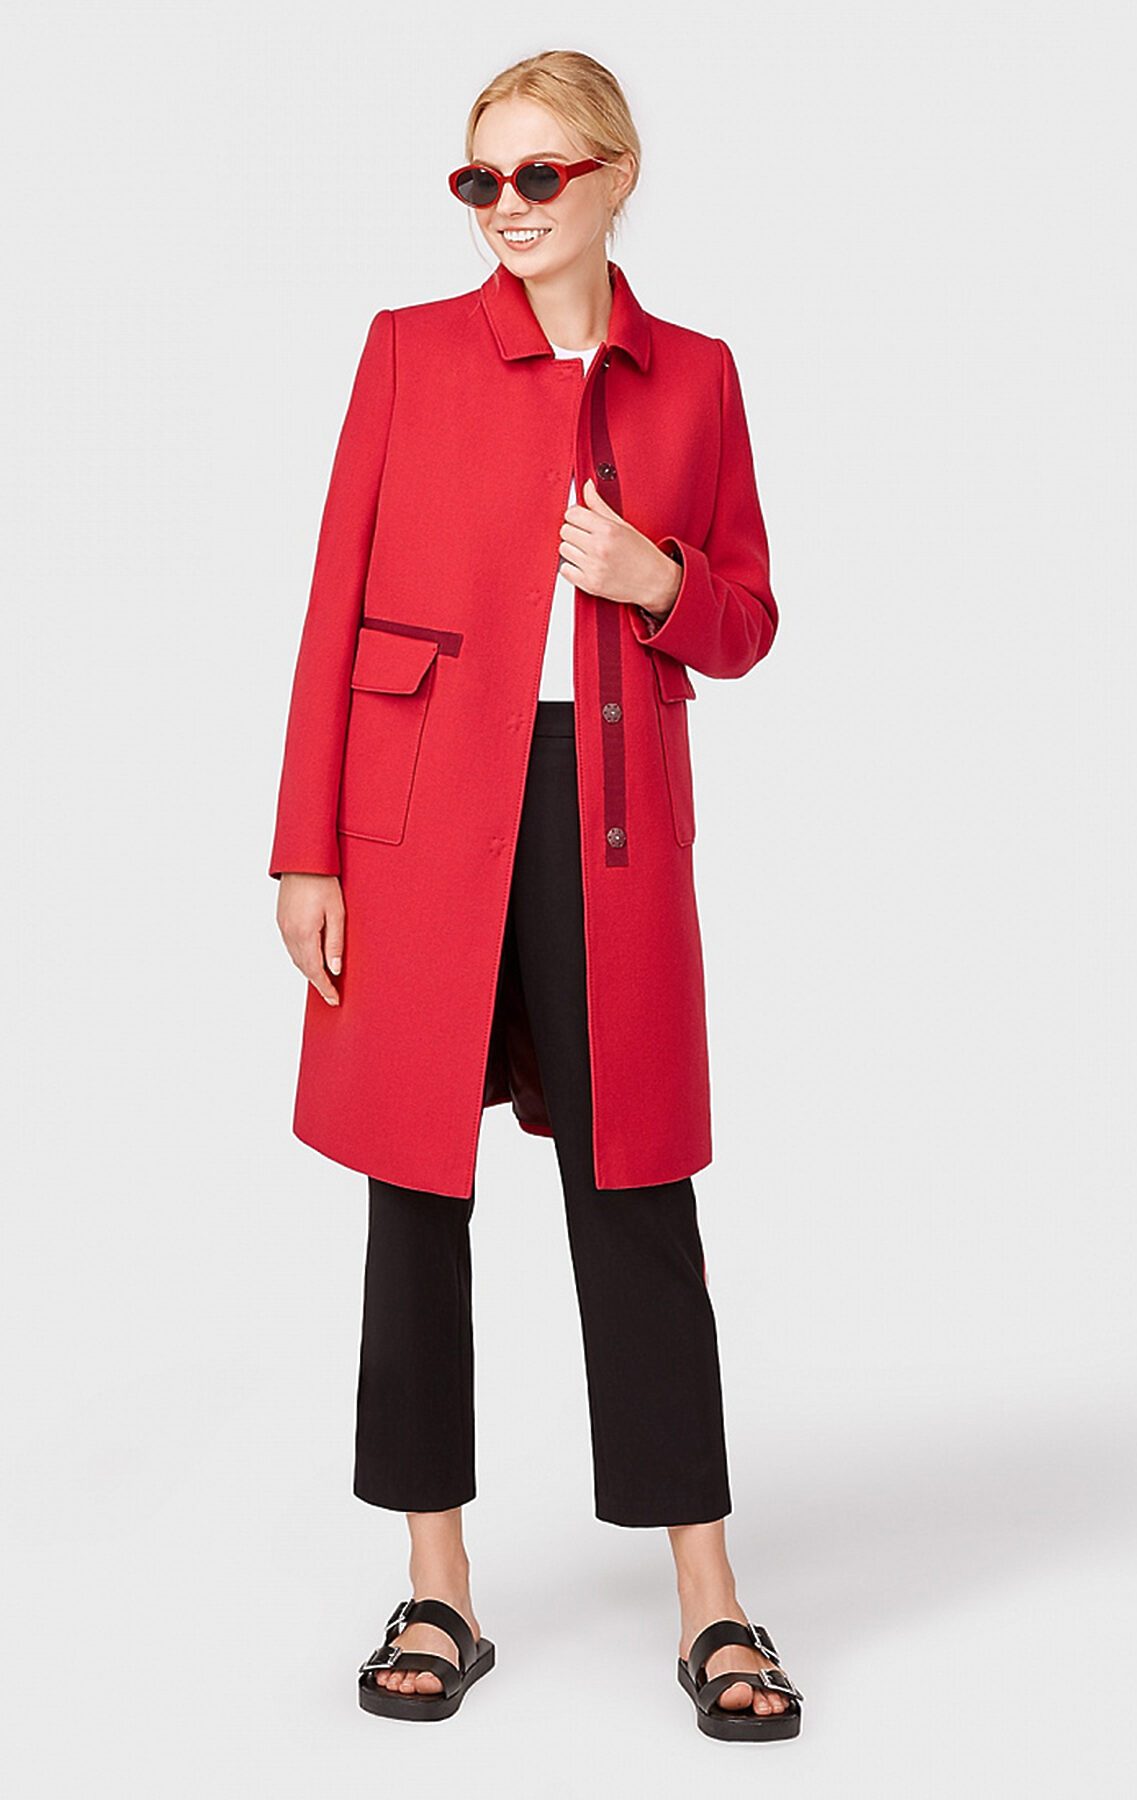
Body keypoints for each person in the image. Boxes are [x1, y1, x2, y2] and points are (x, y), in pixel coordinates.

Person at [269, 49, 802, 1742]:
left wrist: (656, 577)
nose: (507, 207)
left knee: (635, 1184)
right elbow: (334, 597)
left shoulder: (696, 375)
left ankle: (712, 1600)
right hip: (423, 815)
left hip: (607, 813)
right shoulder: (407, 351)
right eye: (480, 181)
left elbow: (746, 620)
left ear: (616, 177)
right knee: (413, 1188)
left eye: (539, 176)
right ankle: (437, 1583)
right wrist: (305, 847)